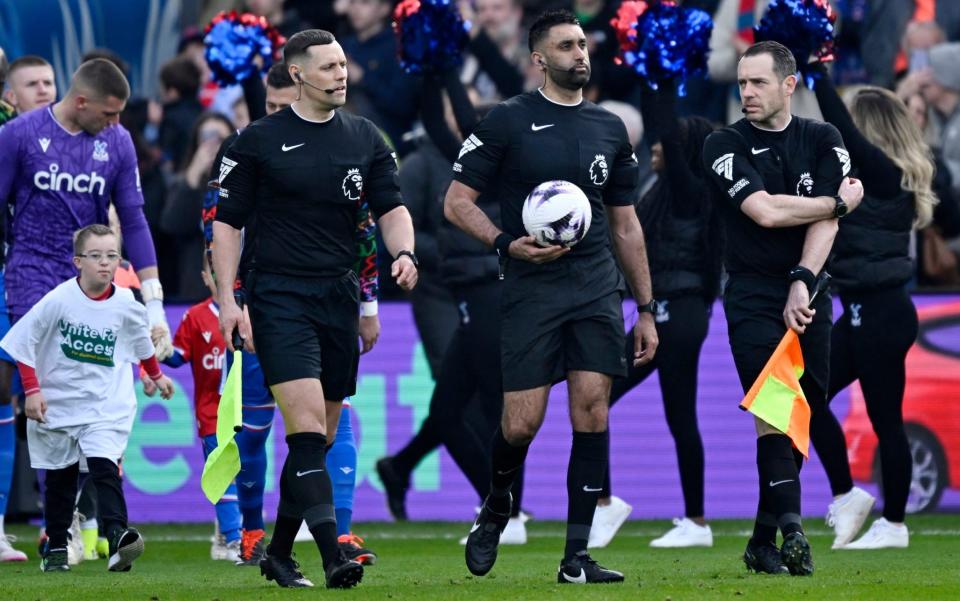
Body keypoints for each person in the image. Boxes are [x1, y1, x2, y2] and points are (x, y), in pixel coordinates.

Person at [445, 9, 658, 584]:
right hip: (530, 288)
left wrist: (644, 308)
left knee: (592, 409)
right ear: (539, 59)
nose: (580, 54)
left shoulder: (610, 128)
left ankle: (576, 557)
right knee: (521, 423)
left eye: (583, 44)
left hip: (594, 287)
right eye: (566, 46)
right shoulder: (506, 122)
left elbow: (626, 226)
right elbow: (457, 202)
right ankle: (496, 505)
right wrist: (505, 243)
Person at [212, 29, 417, 589]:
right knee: (304, 432)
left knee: (321, 439)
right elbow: (226, 225)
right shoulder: (256, 141)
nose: (341, 74)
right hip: (278, 294)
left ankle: (279, 552)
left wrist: (404, 252)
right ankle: (333, 557)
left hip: (338, 295)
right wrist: (229, 302)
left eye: (343, 65)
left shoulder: (366, 138)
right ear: (298, 75)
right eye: (327, 67)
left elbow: (391, 207)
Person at [701, 41, 865, 576]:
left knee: (801, 410)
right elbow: (767, 212)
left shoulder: (823, 137)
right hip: (750, 293)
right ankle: (793, 529)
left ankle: (760, 541)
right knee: (776, 407)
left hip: (810, 289)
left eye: (758, 82)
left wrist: (802, 278)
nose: (746, 92)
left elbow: (823, 224)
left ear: (789, 84)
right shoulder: (723, 144)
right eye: (742, 82)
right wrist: (838, 200)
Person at [376, 69, 529, 543]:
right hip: (449, 289)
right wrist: (428, 64)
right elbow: (408, 220)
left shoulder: (509, 170)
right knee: (454, 405)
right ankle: (497, 504)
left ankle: (505, 512)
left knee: (489, 406)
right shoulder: (441, 162)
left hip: (488, 288)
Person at [809, 63, 939, 549]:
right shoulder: (863, 179)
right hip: (864, 311)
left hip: (882, 313)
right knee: (806, 394)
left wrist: (817, 74)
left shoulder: (885, 175)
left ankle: (895, 524)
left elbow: (843, 132)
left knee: (887, 419)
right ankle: (847, 495)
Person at [591, 81, 721, 550]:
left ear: (682, 152)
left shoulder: (689, 193)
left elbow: (665, 124)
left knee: (599, 395)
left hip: (680, 313)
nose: (653, 150)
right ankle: (695, 521)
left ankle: (611, 505)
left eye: (664, 146)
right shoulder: (661, 191)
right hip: (671, 313)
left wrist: (657, 77)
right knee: (677, 416)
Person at [0, 224, 174, 572]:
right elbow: (22, 343)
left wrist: (156, 376)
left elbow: (141, 344)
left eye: (112, 256)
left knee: (105, 468)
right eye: (95, 256)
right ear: (77, 261)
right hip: (59, 404)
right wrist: (32, 391)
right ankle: (56, 546)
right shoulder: (59, 300)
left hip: (104, 405)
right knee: (61, 482)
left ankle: (118, 539)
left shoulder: (126, 303)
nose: (105, 263)